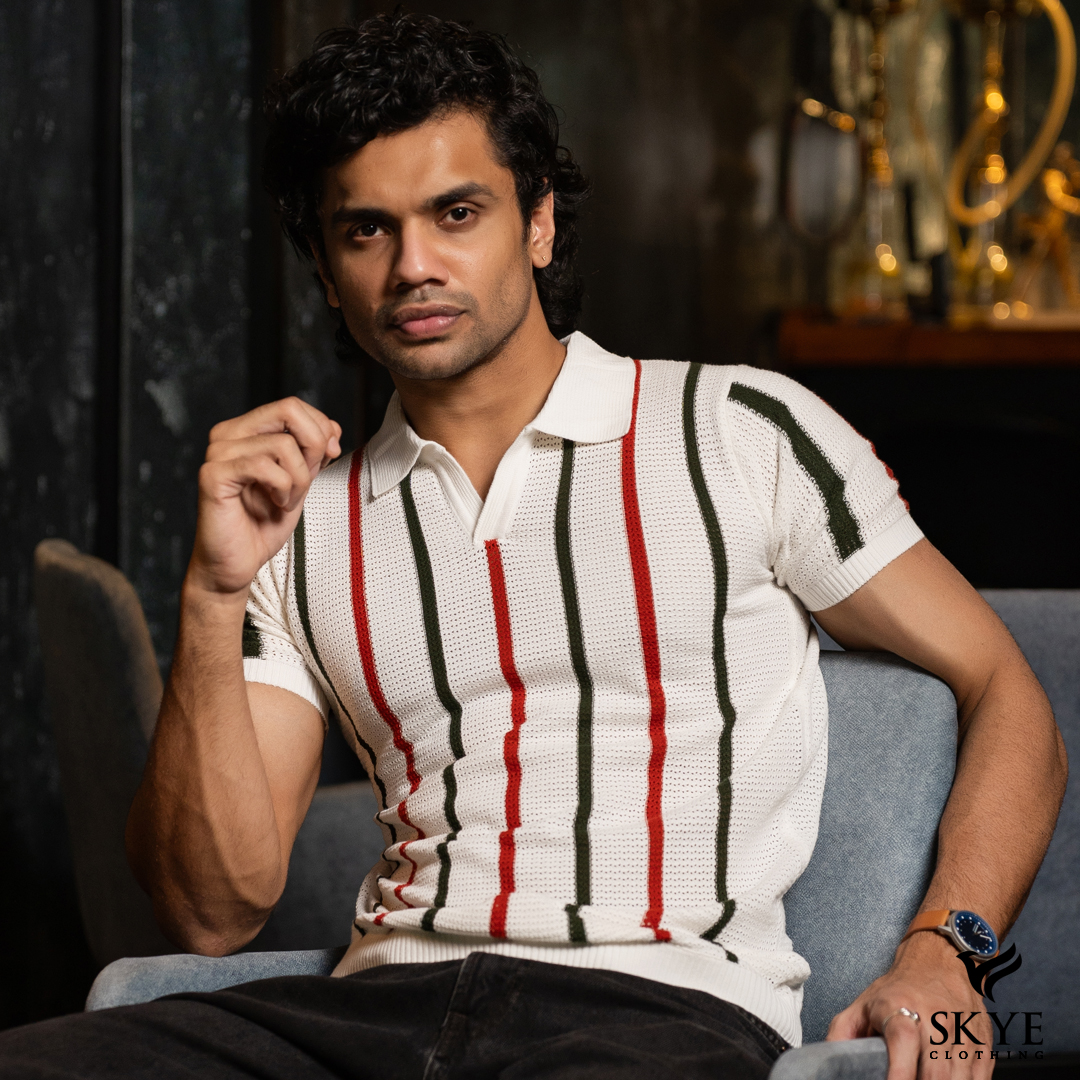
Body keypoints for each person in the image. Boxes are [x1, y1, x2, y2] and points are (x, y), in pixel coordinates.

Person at [0, 12, 1066, 1080]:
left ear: (540, 222)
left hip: (654, 1016)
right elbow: (210, 913)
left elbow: (1006, 690)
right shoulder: (300, 525)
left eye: (457, 212)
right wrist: (211, 591)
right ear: (325, 270)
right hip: (370, 1011)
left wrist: (954, 956)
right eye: (366, 231)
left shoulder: (740, 431)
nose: (414, 265)